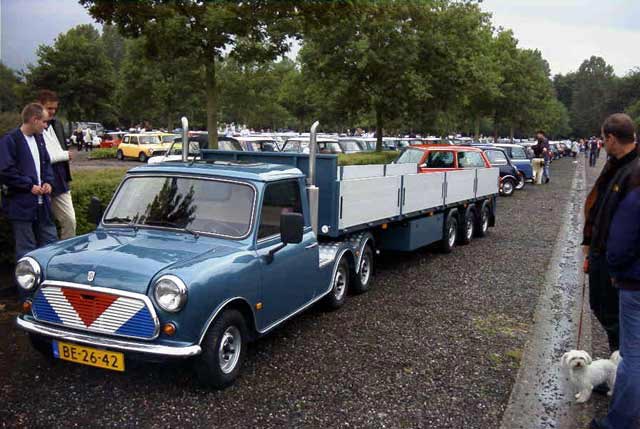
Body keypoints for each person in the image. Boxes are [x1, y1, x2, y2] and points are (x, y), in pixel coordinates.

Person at [588, 113, 640, 429]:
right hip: (616, 264)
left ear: (610, 138)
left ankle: (620, 417)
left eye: (602, 138)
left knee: (631, 350)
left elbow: (626, 232)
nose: (601, 143)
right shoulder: (620, 167)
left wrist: (615, 267)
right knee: (606, 314)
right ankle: (612, 375)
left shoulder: (633, 173)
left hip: (626, 273)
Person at [0, 103, 57, 270]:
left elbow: (46, 164)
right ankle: (26, 285)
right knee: (26, 249)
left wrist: (48, 182)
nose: (46, 126)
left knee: (51, 244)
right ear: (34, 120)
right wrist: (28, 186)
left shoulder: (39, 139)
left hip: (42, 204)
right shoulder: (10, 140)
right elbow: (5, 171)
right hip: (21, 204)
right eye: (44, 122)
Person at [38, 90, 76, 240]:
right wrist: (64, 155)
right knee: (45, 226)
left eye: (55, 108)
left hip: (60, 180)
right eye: (49, 108)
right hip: (42, 182)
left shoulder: (57, 124)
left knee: (70, 220)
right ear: (40, 105)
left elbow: (58, 150)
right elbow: (42, 156)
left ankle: (67, 250)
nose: (52, 111)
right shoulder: (33, 126)